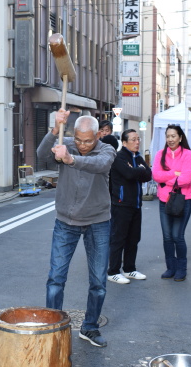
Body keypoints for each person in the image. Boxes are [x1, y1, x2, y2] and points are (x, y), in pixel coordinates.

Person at [37, 109, 116, 348]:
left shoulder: (107, 150)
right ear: (74, 135)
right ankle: (52, 327)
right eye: (79, 140)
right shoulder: (66, 143)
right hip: (66, 221)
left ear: (98, 136)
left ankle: (90, 327)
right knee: (56, 278)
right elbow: (42, 155)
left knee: (98, 281)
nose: (82, 145)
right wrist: (54, 131)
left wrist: (70, 159)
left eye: (88, 140)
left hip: (98, 221)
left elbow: (98, 165)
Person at [107, 129, 152, 284]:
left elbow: (149, 175)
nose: (137, 142)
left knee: (133, 238)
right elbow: (129, 174)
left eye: (138, 139)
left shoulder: (138, 157)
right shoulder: (118, 157)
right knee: (118, 238)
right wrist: (138, 170)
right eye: (133, 139)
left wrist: (137, 170)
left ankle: (129, 269)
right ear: (124, 142)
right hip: (121, 204)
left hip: (136, 204)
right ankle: (113, 271)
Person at [152, 125, 191, 282]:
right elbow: (156, 175)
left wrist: (166, 179)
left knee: (178, 236)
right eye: (168, 136)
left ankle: (181, 269)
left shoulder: (188, 154)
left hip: (183, 200)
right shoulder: (159, 155)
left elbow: (186, 179)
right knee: (167, 237)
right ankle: (170, 267)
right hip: (164, 200)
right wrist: (174, 174)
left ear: (180, 137)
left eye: (173, 136)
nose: (170, 139)